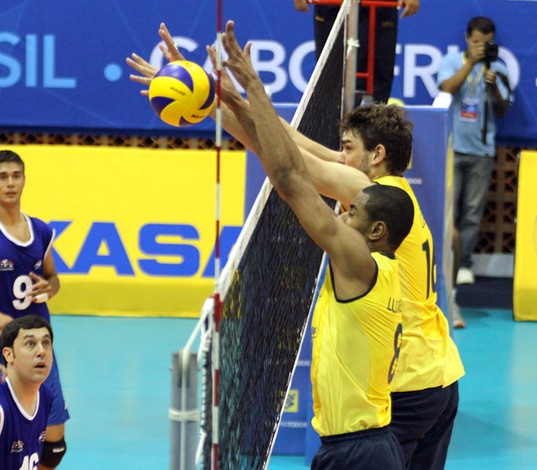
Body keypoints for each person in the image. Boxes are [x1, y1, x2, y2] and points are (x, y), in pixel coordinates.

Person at [128, 23, 463, 469]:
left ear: (376, 155)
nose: (339, 156)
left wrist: (215, 102)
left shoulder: (367, 188)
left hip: (403, 384)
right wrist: (213, 97)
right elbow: (295, 143)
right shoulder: (392, 197)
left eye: (347, 148)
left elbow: (290, 167)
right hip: (439, 373)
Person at [218, 20, 414, 469]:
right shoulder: (382, 267)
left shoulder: (357, 261)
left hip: (359, 452)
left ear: (376, 231)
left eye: (352, 211)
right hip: (360, 446)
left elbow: (289, 178)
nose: (342, 212)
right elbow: (290, 159)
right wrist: (222, 101)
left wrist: (254, 87)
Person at [0, 150, 68, 469]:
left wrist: (48, 287)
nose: (10, 183)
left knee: (53, 446)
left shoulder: (40, 231)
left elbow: (53, 278)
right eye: (3, 177)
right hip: (6, 348)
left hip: (38, 345)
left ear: (24, 180)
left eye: (16, 176)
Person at [438, 16, 511, 288]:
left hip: (482, 151)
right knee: (448, 209)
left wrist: (494, 89)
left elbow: (504, 110)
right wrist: (471, 63)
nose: (482, 46)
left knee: (471, 212)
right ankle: (443, 260)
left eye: (487, 42)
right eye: (477, 41)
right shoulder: (452, 62)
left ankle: (464, 263)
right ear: (467, 38)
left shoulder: (499, 68)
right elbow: (446, 88)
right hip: (452, 147)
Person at [294, 0, 420, 104]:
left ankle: (372, 130)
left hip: (379, 6)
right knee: (329, 75)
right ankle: (329, 130)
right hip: (332, 6)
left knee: (379, 76)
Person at [0, 315, 54, 470]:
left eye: (46, 343)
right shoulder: (2, 408)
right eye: (30, 344)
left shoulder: (45, 395)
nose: (41, 351)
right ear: (8, 355)